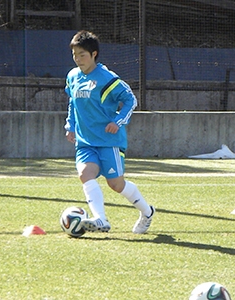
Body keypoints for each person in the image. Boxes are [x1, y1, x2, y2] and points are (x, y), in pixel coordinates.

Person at [64, 30, 155, 234]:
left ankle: (147, 212)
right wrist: (70, 125)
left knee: (116, 184)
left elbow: (130, 99)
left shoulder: (107, 78)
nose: (78, 59)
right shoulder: (72, 76)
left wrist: (118, 121)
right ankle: (100, 219)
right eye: (74, 55)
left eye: (82, 55)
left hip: (109, 141)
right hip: (85, 141)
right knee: (85, 174)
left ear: (94, 54)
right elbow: (72, 102)